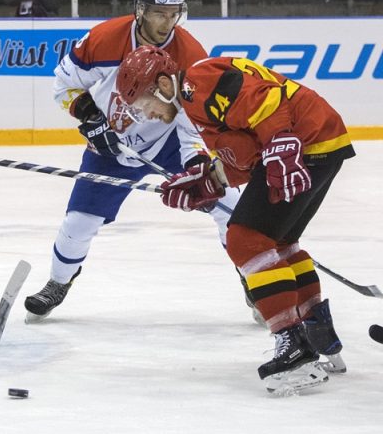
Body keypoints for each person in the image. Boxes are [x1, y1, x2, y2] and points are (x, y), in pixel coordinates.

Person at [114, 45, 355, 393]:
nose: (148, 115)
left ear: (164, 84)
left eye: (145, 104)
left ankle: (294, 346)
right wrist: (206, 183)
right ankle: (318, 334)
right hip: (318, 139)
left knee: (245, 240)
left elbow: (266, 100)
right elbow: (244, 156)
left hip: (305, 139)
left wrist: (282, 143)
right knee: (280, 244)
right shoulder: (194, 103)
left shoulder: (195, 83)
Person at [23, 0, 241, 321]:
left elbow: (193, 120)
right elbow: (63, 86)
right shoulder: (104, 39)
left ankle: (253, 281)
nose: (167, 23)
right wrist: (92, 122)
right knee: (79, 222)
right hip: (112, 144)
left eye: (174, 14)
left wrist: (198, 162)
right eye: (158, 13)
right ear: (139, 9)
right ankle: (58, 282)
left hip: (169, 140)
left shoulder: (190, 54)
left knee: (231, 208)